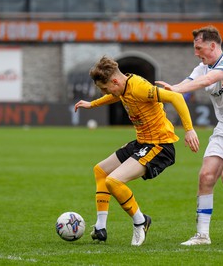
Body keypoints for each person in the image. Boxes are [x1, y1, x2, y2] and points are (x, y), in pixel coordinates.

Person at [156, 25, 223, 245]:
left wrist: (176, 90)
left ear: (212, 45)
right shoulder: (202, 67)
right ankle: (202, 235)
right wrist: (168, 90)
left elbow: (207, 81)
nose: (196, 53)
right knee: (206, 177)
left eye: (198, 48)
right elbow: (187, 82)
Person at [74, 56, 200, 246]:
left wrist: (189, 129)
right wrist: (92, 104)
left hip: (159, 146)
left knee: (113, 181)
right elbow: (115, 95)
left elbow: (175, 96)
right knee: (100, 170)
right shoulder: (122, 86)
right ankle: (101, 227)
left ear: (115, 81)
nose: (105, 92)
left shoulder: (139, 87)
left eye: (105, 88)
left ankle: (141, 221)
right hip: (142, 143)